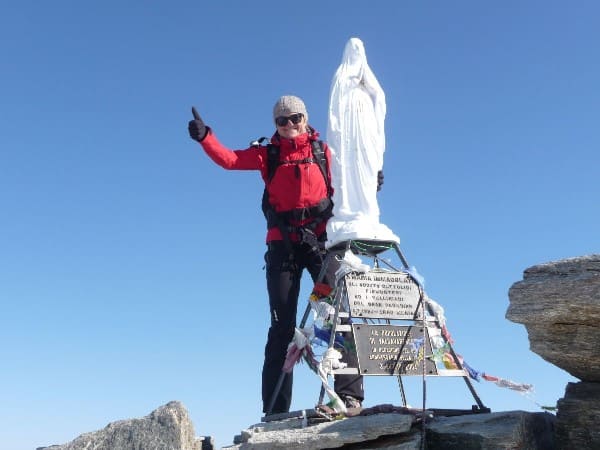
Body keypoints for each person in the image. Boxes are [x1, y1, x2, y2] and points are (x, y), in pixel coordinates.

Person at [187, 95, 364, 414]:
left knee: (336, 316)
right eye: (282, 121)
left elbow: (353, 183)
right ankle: (275, 410)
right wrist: (206, 137)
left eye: (295, 118)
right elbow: (229, 159)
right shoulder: (267, 154)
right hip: (282, 246)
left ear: (305, 119)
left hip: (321, 246)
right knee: (281, 327)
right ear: (275, 125)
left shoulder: (324, 153)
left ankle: (350, 398)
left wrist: (371, 182)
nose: (289, 125)